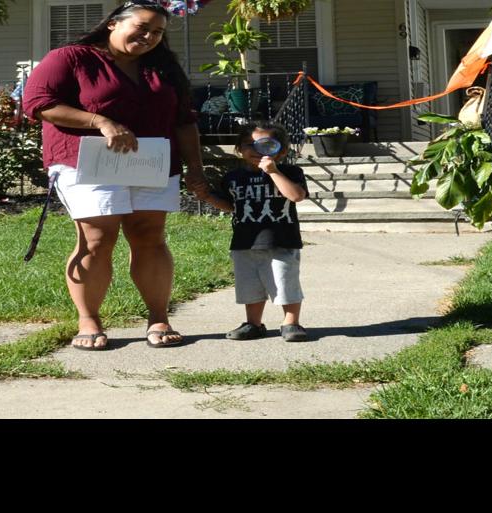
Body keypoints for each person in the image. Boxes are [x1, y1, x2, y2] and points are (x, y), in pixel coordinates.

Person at [20, 2, 209, 350]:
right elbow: (38, 103)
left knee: (150, 236)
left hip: (152, 163)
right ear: (112, 24)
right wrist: (99, 121)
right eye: (142, 27)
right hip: (87, 163)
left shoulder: (163, 68)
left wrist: (195, 168)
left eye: (157, 32)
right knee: (96, 239)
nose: (149, 36)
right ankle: (88, 320)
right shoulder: (71, 57)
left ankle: (158, 316)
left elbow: (184, 120)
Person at [203, 122, 312, 342]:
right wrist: (206, 196)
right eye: (248, 145)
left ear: (281, 150)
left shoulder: (290, 172)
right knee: (249, 286)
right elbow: (231, 205)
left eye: (265, 145)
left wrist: (273, 171)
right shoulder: (233, 177)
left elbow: (296, 196)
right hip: (245, 241)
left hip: (282, 240)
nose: (256, 150)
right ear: (239, 150)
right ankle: (253, 323)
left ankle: (291, 322)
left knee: (284, 282)